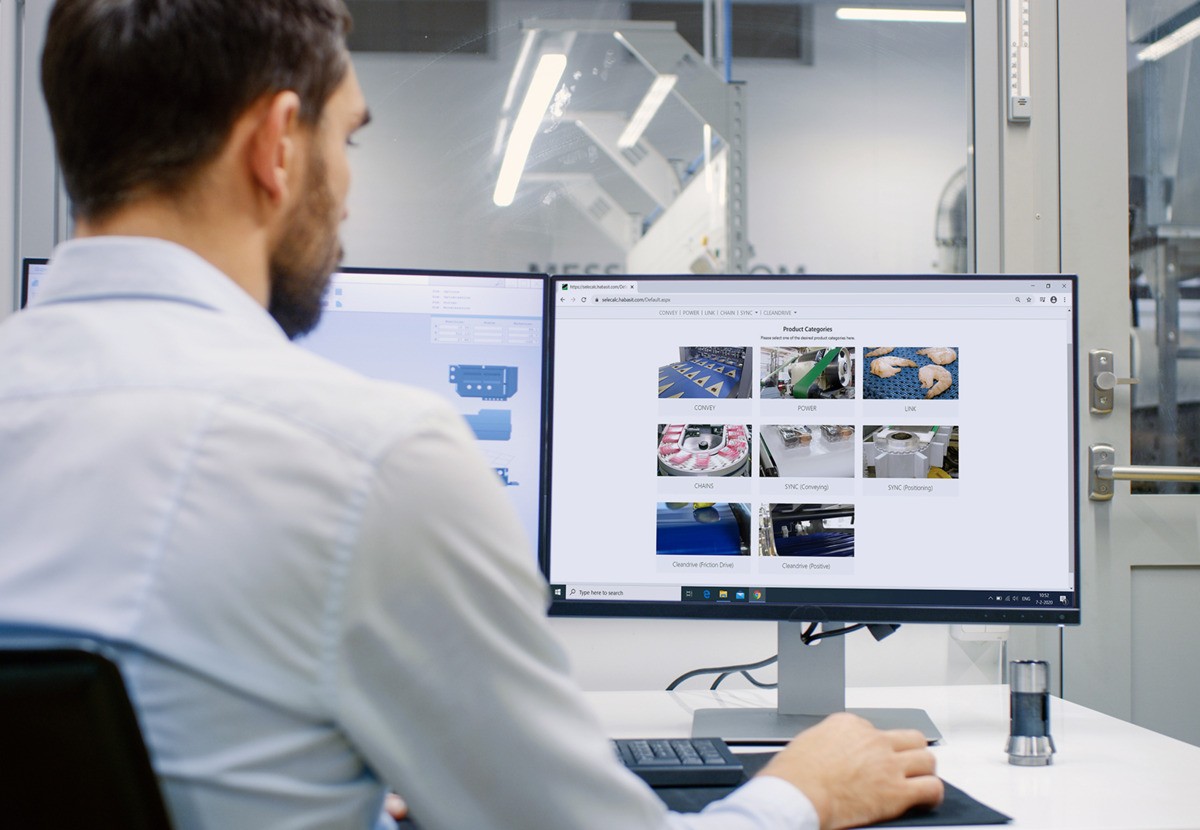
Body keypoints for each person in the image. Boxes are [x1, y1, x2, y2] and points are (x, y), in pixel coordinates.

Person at [0, 1, 944, 828]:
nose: (349, 182)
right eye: (349, 138)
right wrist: (803, 794)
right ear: (276, 145)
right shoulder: (366, 458)